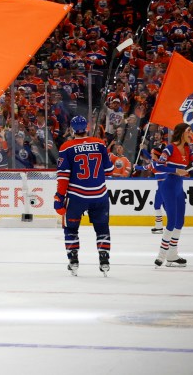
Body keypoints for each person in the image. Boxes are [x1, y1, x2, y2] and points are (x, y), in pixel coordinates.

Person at [54, 115, 112, 276]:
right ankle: (104, 258)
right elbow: (109, 170)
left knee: (71, 229)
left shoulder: (66, 147)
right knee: (102, 228)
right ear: (86, 127)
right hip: (99, 195)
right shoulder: (100, 144)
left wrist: (59, 196)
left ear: (72, 130)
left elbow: (63, 176)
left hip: (76, 196)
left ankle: (73, 260)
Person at [154, 123, 193, 268]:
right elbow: (158, 166)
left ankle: (172, 254)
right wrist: (176, 170)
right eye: (189, 131)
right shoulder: (170, 148)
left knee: (180, 222)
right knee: (171, 222)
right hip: (168, 187)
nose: (191, 134)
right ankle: (161, 255)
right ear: (182, 132)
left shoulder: (188, 149)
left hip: (178, 189)